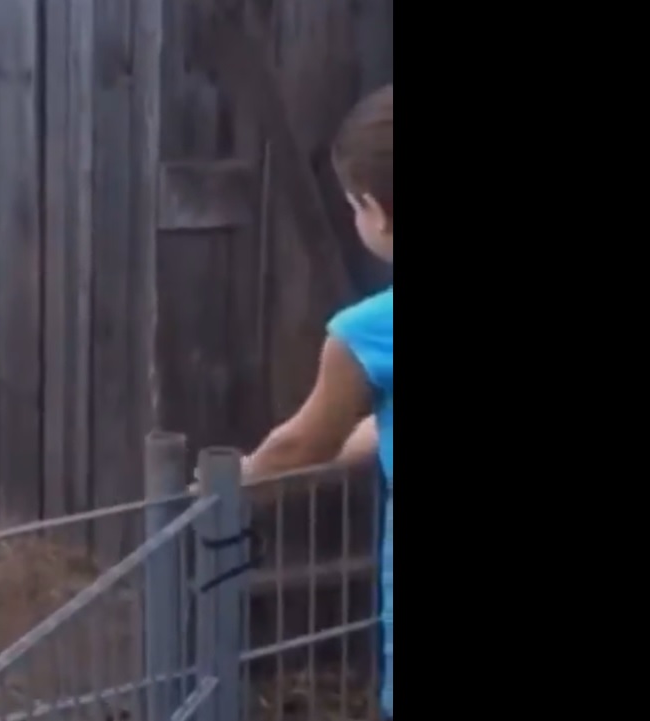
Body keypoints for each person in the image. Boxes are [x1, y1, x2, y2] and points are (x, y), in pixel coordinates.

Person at [238, 83, 392, 718]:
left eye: (354, 206)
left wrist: (229, 483)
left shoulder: (368, 330)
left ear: (378, 212)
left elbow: (303, 442)